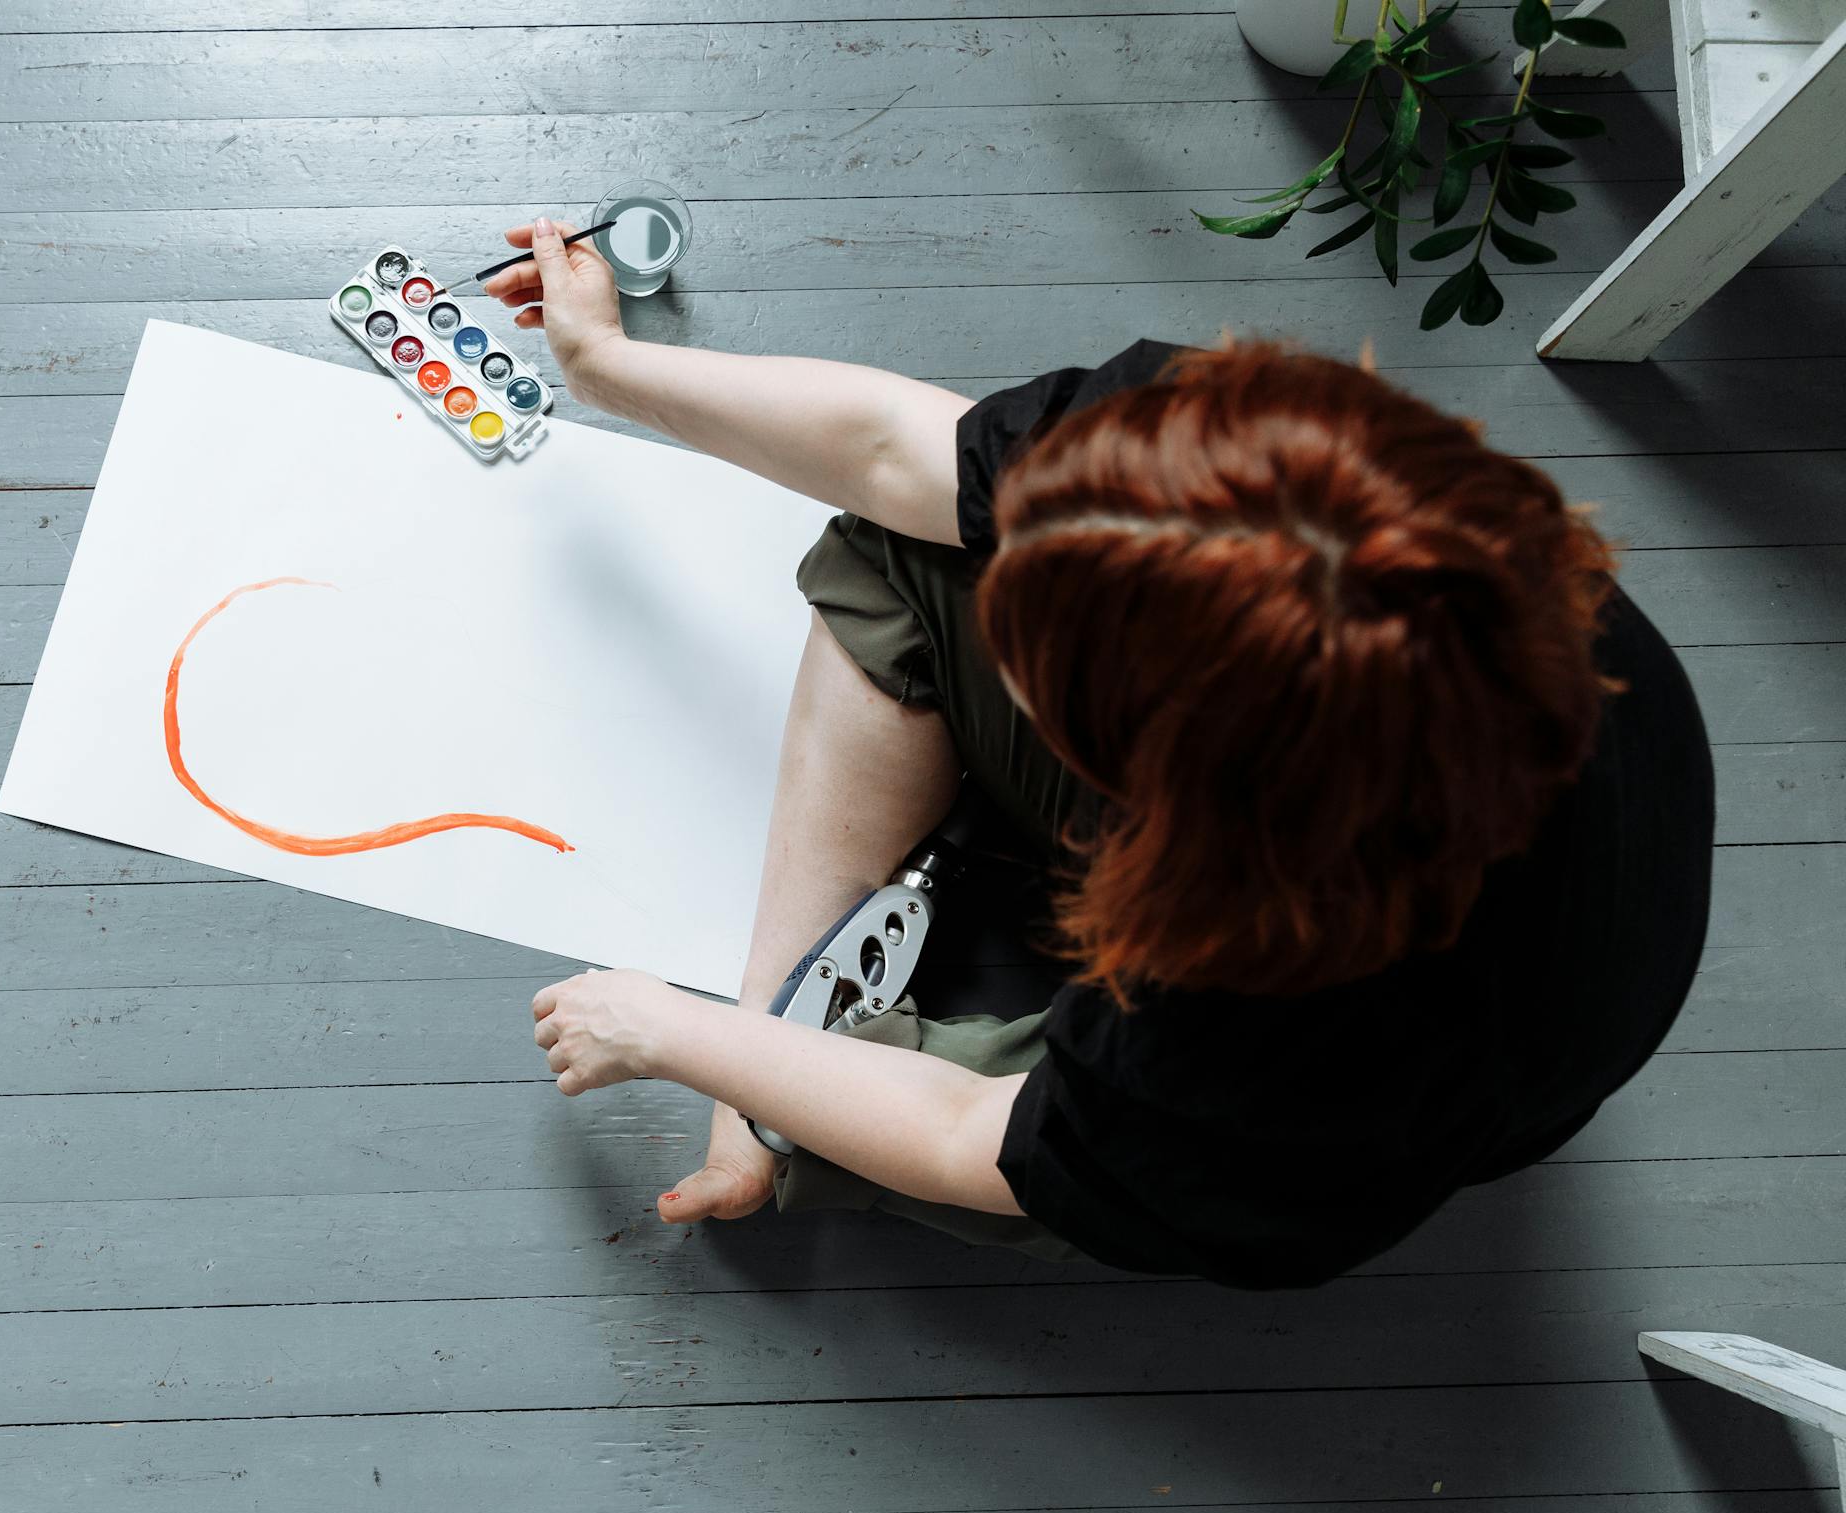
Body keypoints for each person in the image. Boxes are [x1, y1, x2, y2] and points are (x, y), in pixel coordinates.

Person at [490, 216, 1715, 1289]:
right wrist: (612, 368)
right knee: (902, 548)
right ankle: (784, 1068)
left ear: (1168, 798)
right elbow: (894, 456)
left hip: (1316, 1120)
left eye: (1039, 658)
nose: (1002, 609)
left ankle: (784, 1096)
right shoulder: (1257, 476)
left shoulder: (1284, 1032)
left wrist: (671, 1032)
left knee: (889, 1123)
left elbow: (979, 1134)